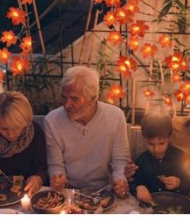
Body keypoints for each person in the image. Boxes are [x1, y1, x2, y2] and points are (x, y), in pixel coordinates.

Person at [44, 65, 131, 199]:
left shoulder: (115, 117)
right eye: (64, 97)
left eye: (75, 98)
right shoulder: (52, 120)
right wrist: (57, 176)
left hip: (104, 192)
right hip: (68, 192)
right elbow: (55, 165)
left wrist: (119, 180)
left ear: (93, 98)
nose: (66, 104)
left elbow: (120, 161)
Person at [129, 111, 190, 203]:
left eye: (161, 143)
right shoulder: (142, 160)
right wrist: (139, 187)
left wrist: (179, 182)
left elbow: (188, 183)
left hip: (174, 204)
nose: (156, 149)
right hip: (149, 205)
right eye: (151, 144)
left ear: (169, 138)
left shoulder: (179, 157)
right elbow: (133, 181)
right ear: (144, 138)